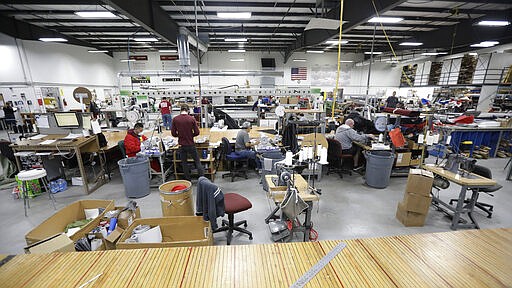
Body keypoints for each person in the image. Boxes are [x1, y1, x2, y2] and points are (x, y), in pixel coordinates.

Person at [171, 104, 204, 180]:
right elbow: (197, 132)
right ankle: (202, 178)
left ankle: (188, 180)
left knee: (184, 163)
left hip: (182, 145)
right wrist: (190, 135)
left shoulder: (175, 119)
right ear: (188, 110)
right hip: (191, 144)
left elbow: (173, 133)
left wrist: (180, 135)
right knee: (197, 161)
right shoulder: (191, 119)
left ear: (180, 110)